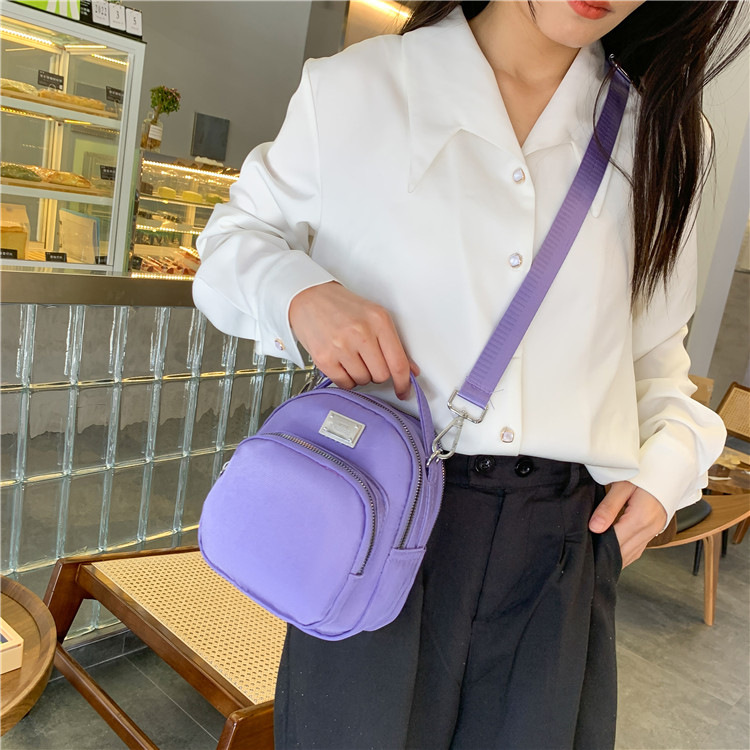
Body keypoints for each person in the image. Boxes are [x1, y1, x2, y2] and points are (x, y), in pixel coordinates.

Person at [193, 2, 748, 747]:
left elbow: (656, 361)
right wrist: (301, 297)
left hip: (559, 546)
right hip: (380, 522)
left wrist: (666, 469)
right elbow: (231, 245)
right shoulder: (361, 87)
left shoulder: (663, 141)